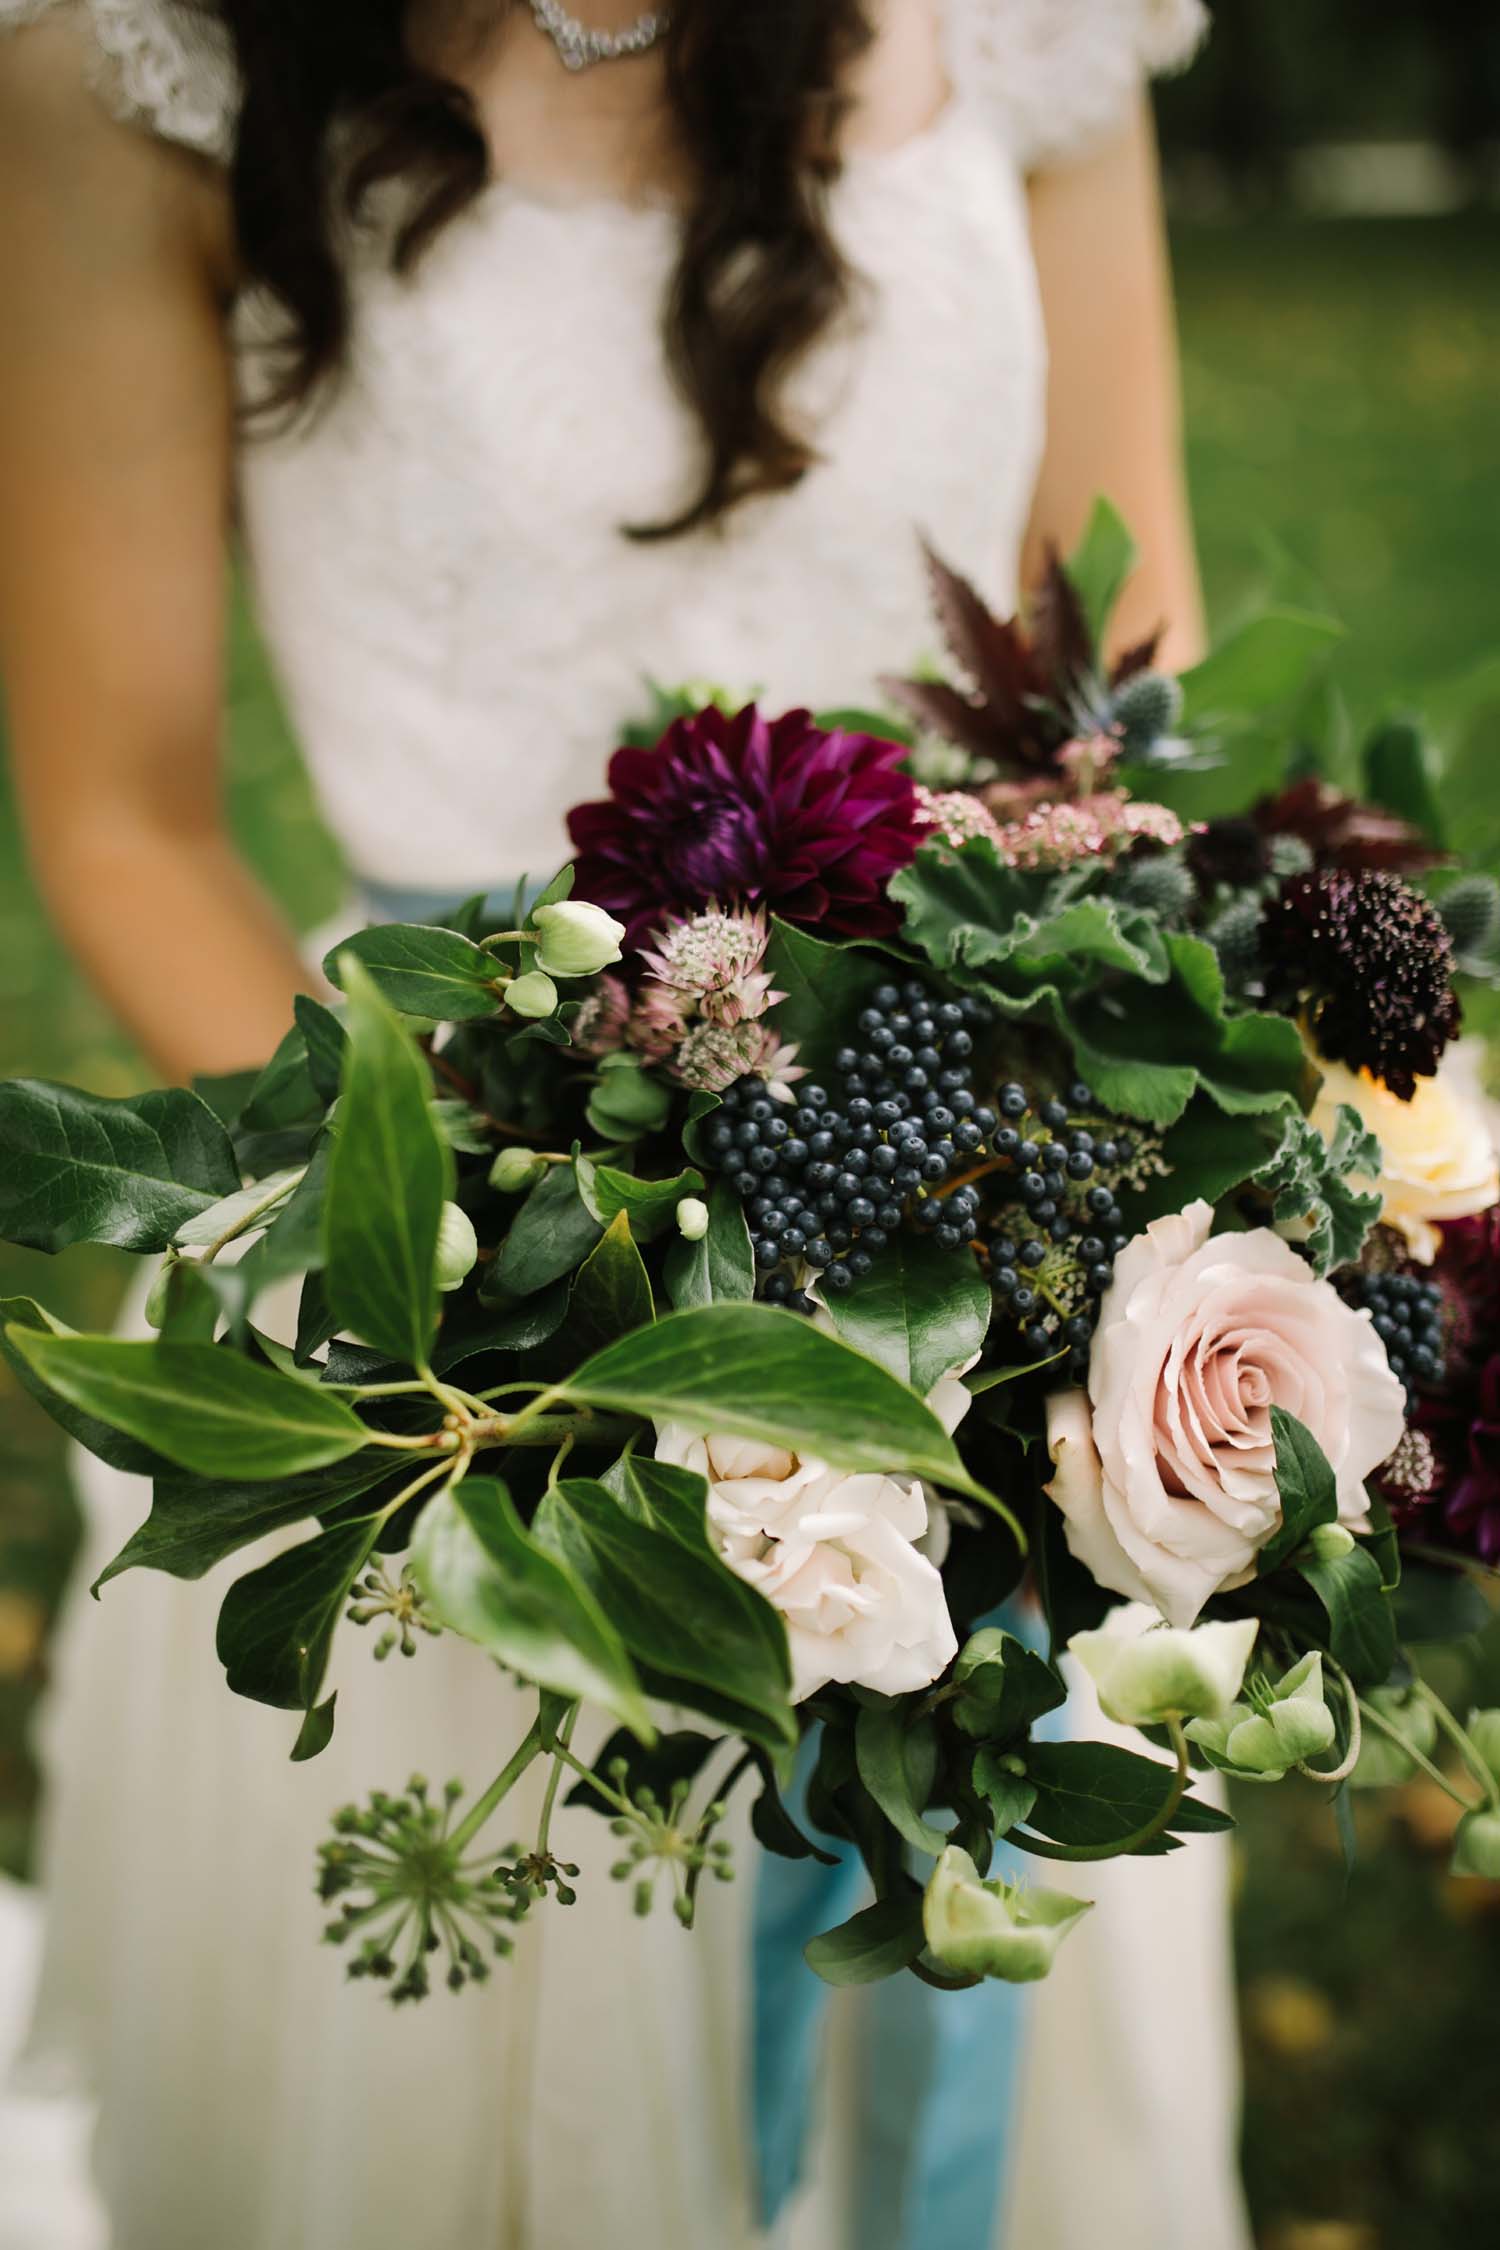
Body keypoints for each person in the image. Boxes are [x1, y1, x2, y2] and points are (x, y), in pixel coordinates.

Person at [0, 4, 1250, 2246]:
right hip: (434, 1226)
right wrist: (491, 1246)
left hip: (974, 1194)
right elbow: (118, 811)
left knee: (971, 1937)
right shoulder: (137, 51)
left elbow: (1117, 671)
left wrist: (1028, 1170)